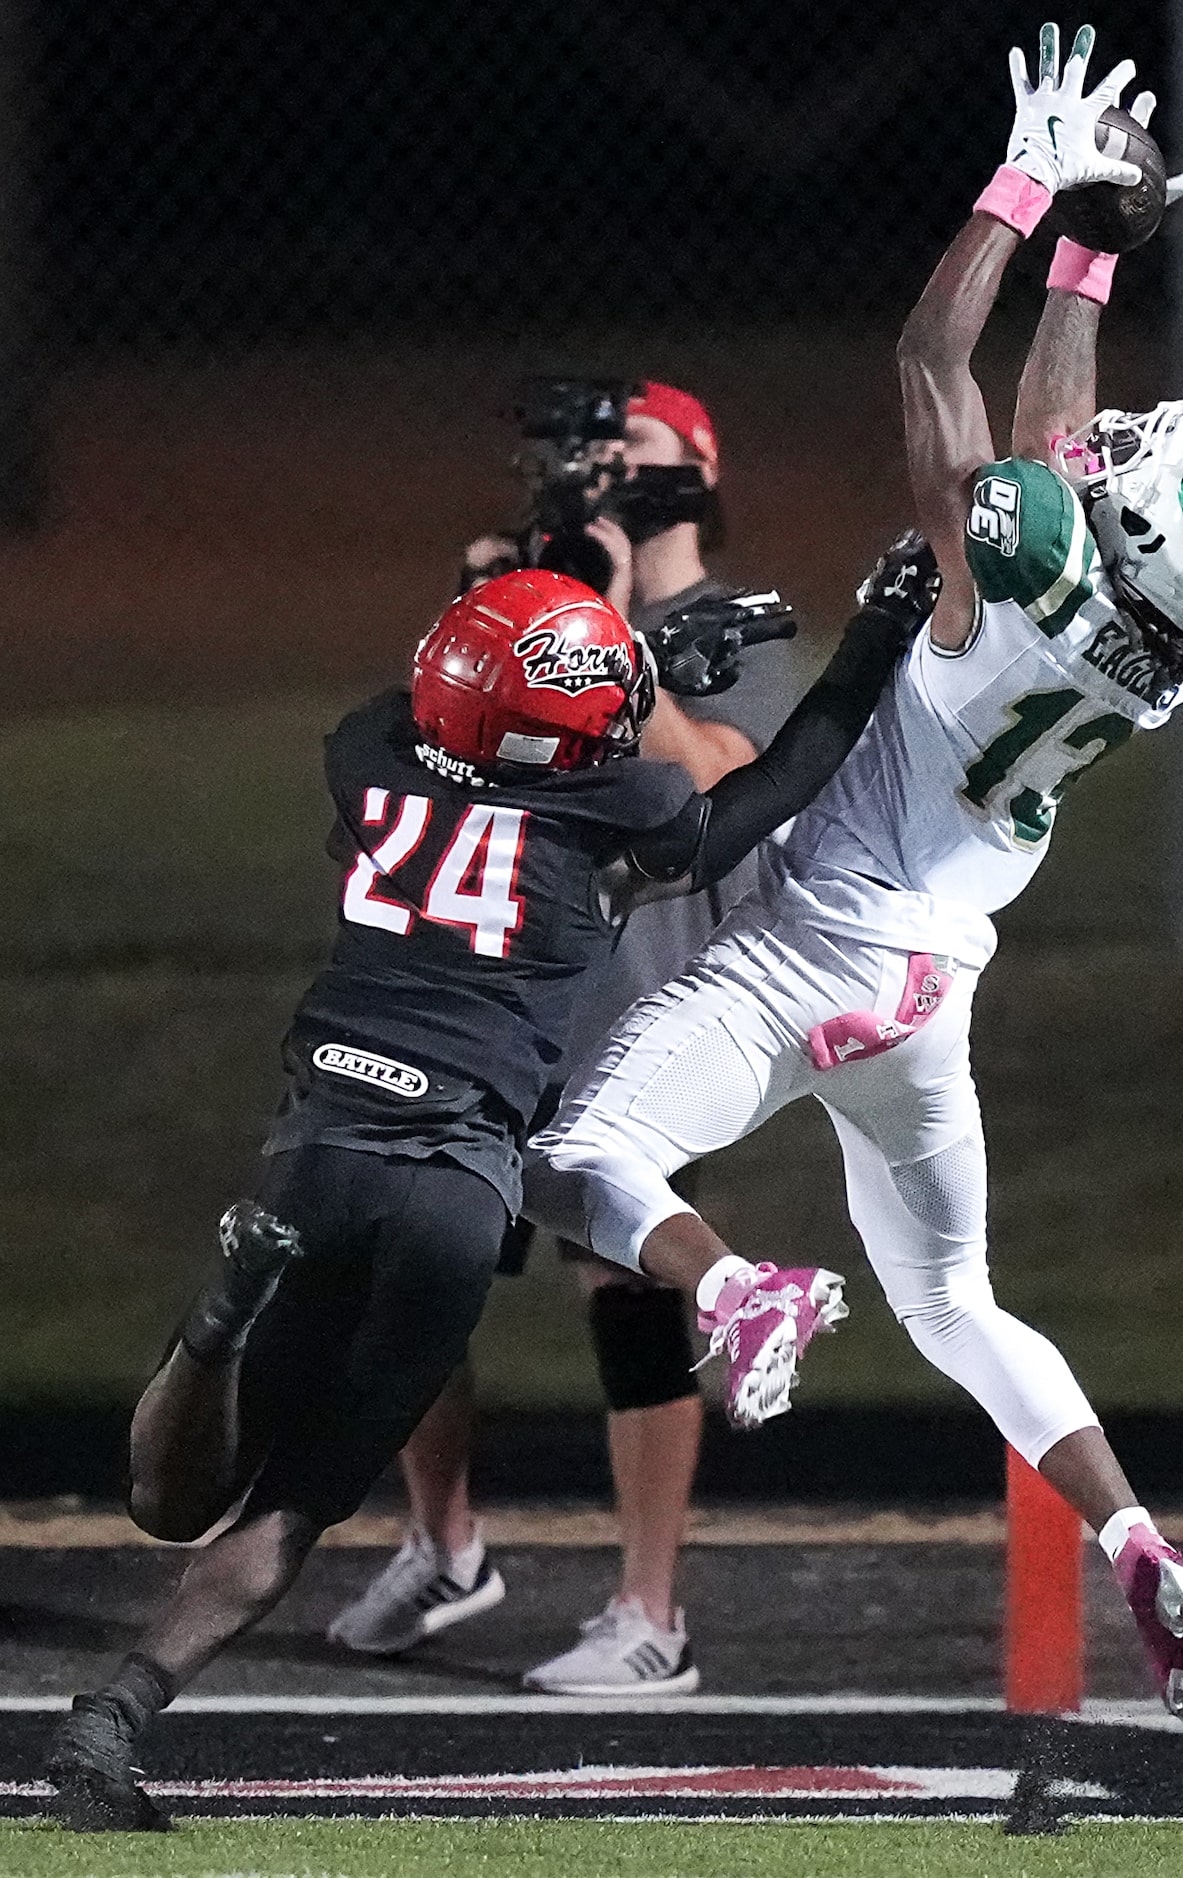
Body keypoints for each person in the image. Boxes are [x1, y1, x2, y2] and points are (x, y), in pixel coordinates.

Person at [523, 23, 1183, 1721]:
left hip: (815, 942)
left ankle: (738, 1291)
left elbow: (930, 361)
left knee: (581, 1156)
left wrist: (1022, 189)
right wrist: (1098, 249)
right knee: (956, 1300)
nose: (1121, 447)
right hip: (932, 989)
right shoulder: (1166, 649)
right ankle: (1140, 1547)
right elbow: (1054, 437)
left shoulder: (1016, 557)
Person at [43, 543, 939, 1833]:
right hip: (456, 1184)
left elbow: (452, 716)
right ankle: (118, 1712)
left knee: (168, 1498)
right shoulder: (613, 817)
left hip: (318, 1146)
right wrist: (867, 634)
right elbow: (786, 773)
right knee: (298, 1503)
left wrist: (599, 677)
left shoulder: (364, 756)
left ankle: (211, 1336)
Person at [326, 382, 805, 1692]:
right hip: (491, 995)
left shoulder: (732, 629)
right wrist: (487, 609)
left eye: (629, 450)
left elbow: (723, 779)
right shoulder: (539, 600)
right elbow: (430, 751)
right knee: (409, 1266)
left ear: (694, 470)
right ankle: (444, 1539)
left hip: (637, 1006)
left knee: (632, 1302)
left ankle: (651, 1614)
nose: (601, 473)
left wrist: (603, 644)